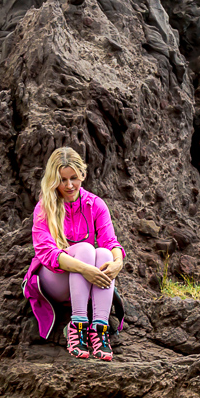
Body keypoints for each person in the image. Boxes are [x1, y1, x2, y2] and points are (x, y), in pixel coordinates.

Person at [23, 147, 126, 361]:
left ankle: (99, 330)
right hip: (54, 280)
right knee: (86, 250)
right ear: (54, 180)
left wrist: (118, 263)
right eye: (62, 180)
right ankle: (77, 328)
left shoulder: (95, 204)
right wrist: (85, 268)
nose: (69, 186)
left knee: (105, 254)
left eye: (74, 178)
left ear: (83, 175)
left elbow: (110, 241)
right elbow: (47, 253)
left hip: (83, 283)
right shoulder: (44, 207)